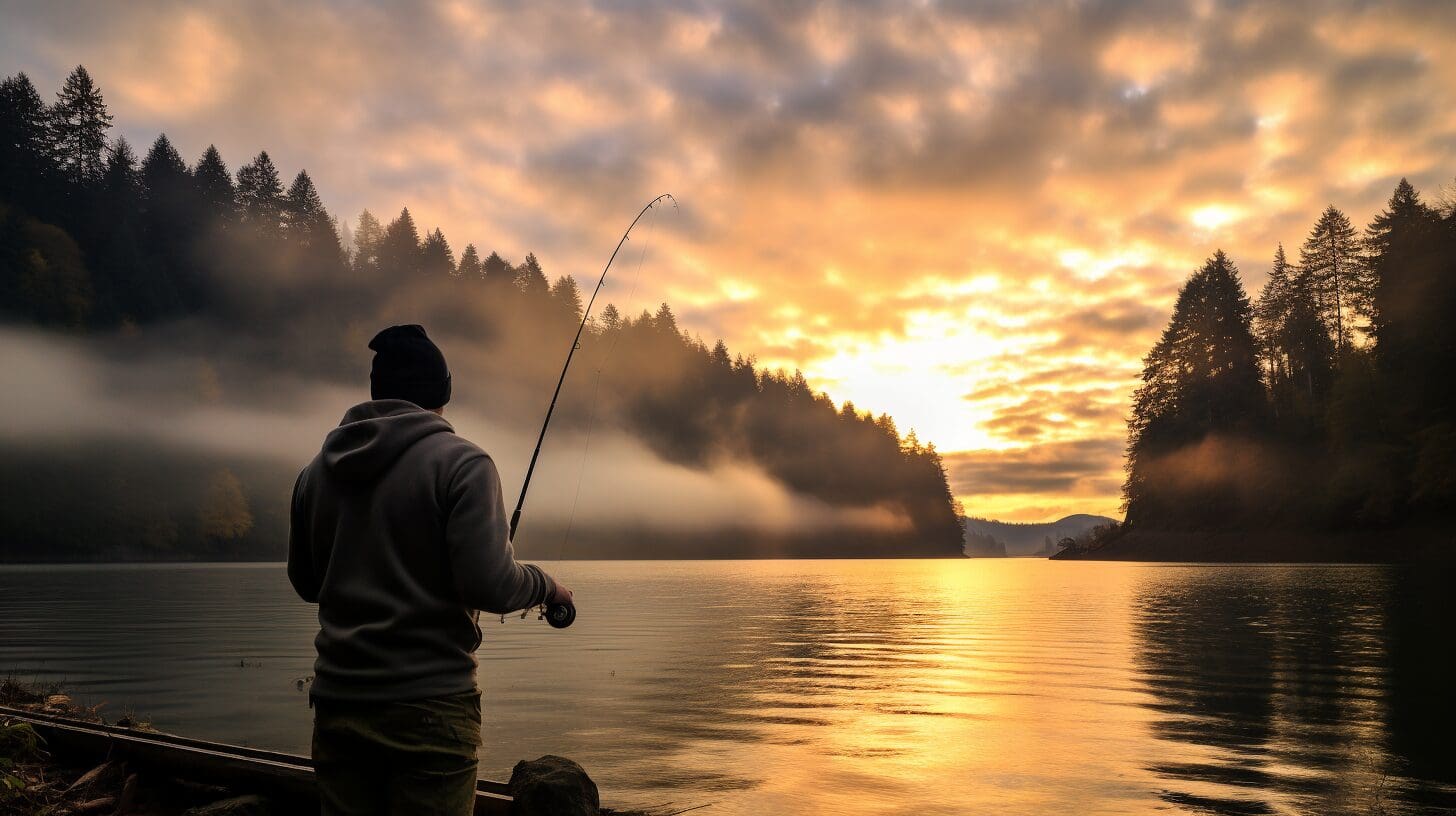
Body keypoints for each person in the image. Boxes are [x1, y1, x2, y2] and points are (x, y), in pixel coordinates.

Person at [288, 324, 571, 815]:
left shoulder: (315, 473)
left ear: (377, 391)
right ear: (443, 392)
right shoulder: (463, 464)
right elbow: (489, 584)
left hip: (338, 706)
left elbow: (307, 583)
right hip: (430, 710)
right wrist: (548, 585)